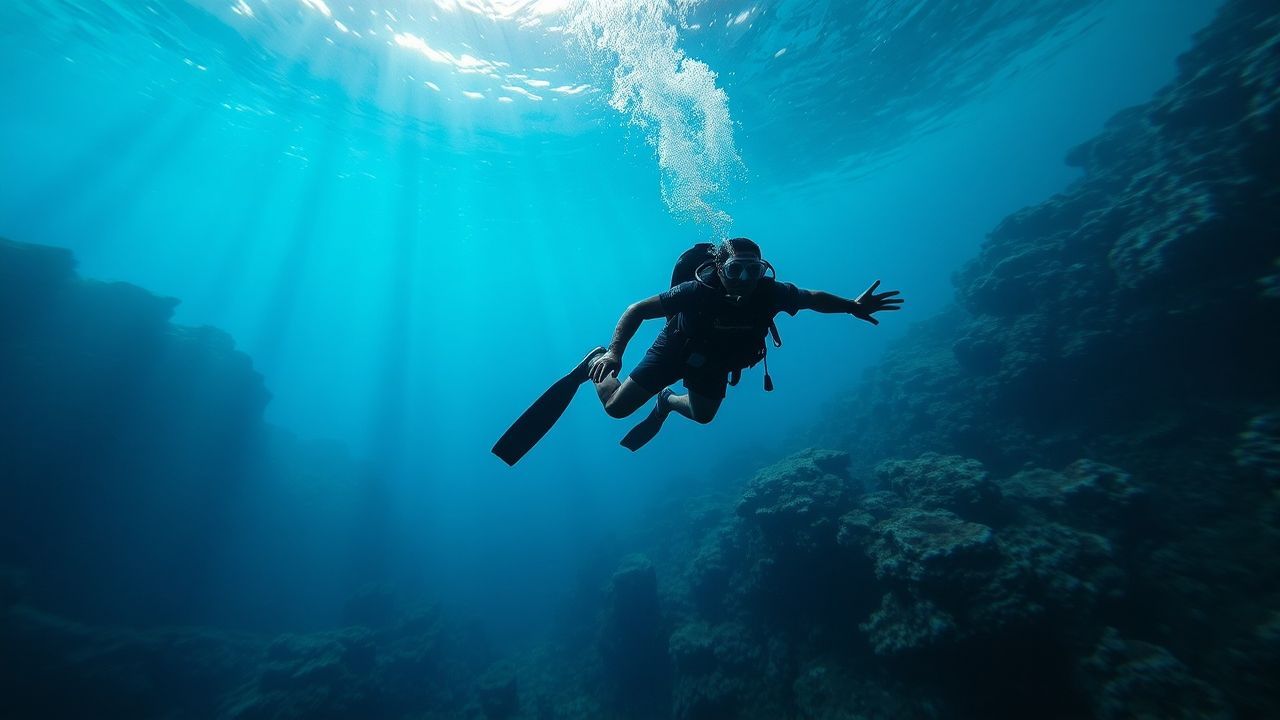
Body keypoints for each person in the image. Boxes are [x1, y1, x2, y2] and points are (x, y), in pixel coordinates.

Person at [583, 237, 903, 448]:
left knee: (703, 416)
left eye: (754, 270)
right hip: (674, 350)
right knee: (617, 409)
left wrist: (853, 306)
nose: (746, 280)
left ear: (764, 270)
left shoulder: (770, 292)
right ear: (719, 269)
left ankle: (666, 400)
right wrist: (614, 353)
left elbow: (813, 299)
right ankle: (596, 362)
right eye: (736, 270)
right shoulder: (697, 291)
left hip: (716, 362)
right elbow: (637, 310)